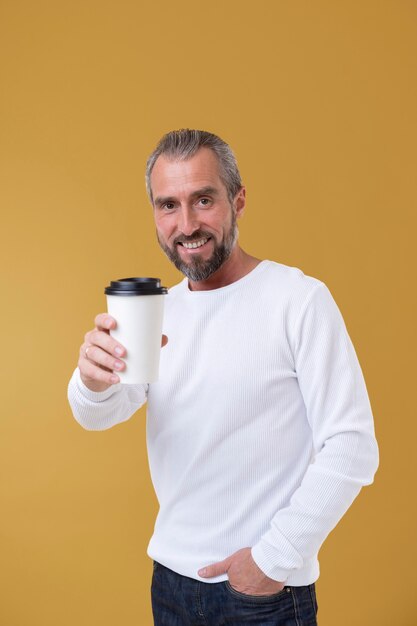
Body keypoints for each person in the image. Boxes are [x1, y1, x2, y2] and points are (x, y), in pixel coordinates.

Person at [68, 129, 379, 625]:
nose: (186, 224)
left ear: (238, 201)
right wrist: (92, 380)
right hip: (169, 583)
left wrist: (272, 559)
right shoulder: (158, 312)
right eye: (168, 205)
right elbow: (98, 415)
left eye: (203, 200)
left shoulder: (297, 300)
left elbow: (352, 446)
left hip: (263, 595)